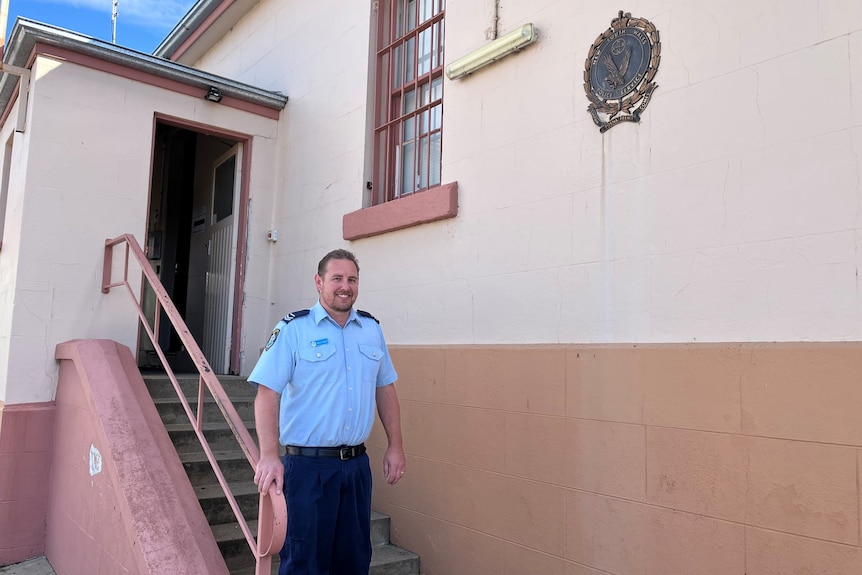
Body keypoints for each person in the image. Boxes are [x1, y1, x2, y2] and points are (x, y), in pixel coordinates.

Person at [249, 248, 406, 575]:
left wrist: (395, 445)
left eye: (352, 279)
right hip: (308, 468)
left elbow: (385, 388)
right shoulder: (294, 329)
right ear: (319, 282)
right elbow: (267, 393)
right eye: (336, 278)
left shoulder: (371, 329)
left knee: (354, 560)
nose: (344, 286)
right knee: (305, 562)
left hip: (356, 468)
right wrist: (268, 455)